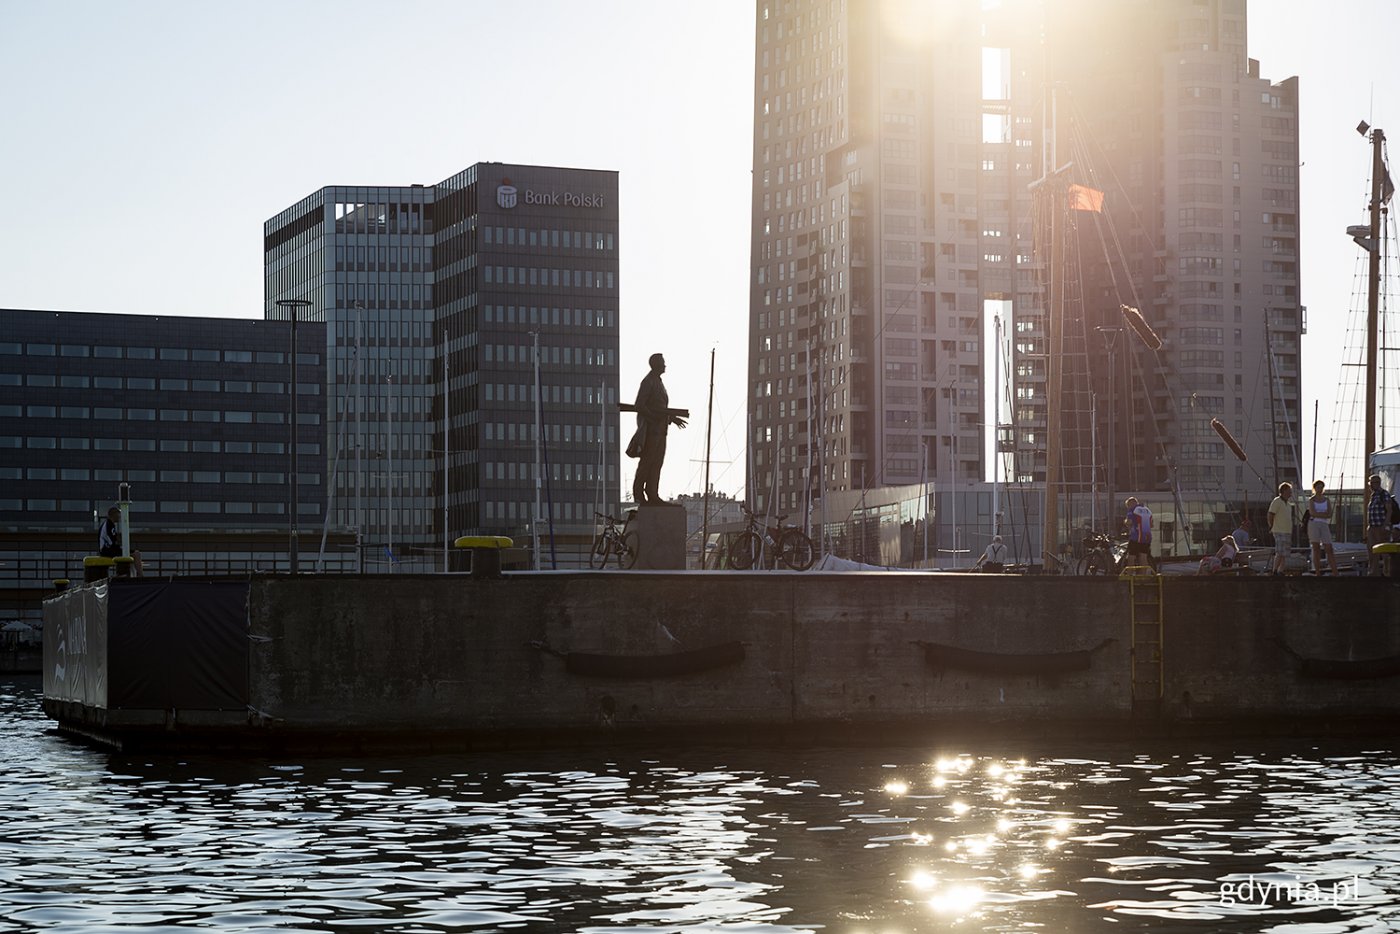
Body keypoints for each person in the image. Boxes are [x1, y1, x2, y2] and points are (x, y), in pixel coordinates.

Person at [629, 353, 686, 505]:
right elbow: (639, 405)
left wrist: (672, 419)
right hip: (652, 432)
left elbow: (660, 408)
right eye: (663, 362)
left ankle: (652, 493)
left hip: (661, 431)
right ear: (656, 365)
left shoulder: (658, 382)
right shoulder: (648, 382)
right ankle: (639, 494)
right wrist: (654, 418)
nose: (665, 365)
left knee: (657, 463)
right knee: (647, 462)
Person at [1366, 474, 1397, 577]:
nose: (1374, 484)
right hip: (1372, 526)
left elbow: (1389, 510)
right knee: (1372, 550)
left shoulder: (1384, 494)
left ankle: (1387, 573)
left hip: (1381, 526)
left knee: (1384, 550)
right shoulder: (1373, 495)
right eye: (1372, 482)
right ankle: (1373, 573)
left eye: (1376, 482)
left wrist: (1386, 524)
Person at [1306, 480, 1339, 576]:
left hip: (1324, 525)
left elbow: (1329, 514)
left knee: (1329, 548)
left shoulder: (1327, 500)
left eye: (1321, 487)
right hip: (1313, 525)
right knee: (1316, 548)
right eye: (1318, 487)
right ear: (1314, 488)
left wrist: (1318, 514)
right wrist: (1322, 514)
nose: (1319, 489)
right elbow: (1312, 513)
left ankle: (1335, 572)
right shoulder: (1311, 500)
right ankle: (1317, 572)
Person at [1267, 482, 1296, 576]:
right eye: (1289, 491)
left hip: (1287, 531)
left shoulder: (1288, 504)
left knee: (1285, 553)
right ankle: (1275, 570)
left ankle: (1281, 571)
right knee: (1279, 551)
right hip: (1279, 530)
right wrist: (1271, 526)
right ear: (1284, 491)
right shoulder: (1277, 501)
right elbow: (1270, 514)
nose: (1291, 493)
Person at [1123, 497, 1152, 568]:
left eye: (1128, 506)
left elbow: (1129, 522)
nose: (1128, 508)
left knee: (1131, 557)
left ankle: (1130, 576)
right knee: (1143, 557)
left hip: (1136, 537)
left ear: (1130, 504)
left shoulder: (1132, 510)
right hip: (1147, 537)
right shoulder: (1147, 510)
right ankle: (1143, 577)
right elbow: (1151, 524)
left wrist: (1125, 522)